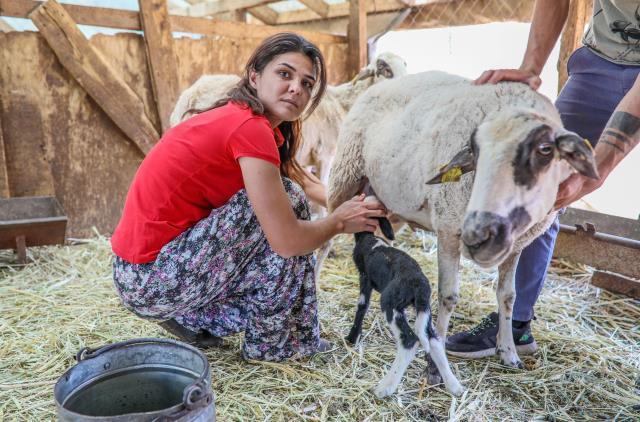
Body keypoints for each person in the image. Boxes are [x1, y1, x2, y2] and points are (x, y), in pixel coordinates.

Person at [110, 33, 387, 362]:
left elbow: (303, 181)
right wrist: (339, 222)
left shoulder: (243, 119)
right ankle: (275, 345)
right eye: (285, 74)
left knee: (286, 202)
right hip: (150, 279)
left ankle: (253, 331)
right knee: (289, 204)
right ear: (255, 76)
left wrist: (347, 205)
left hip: (139, 272)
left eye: (307, 83)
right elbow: (287, 240)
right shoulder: (250, 128)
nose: (297, 88)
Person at [446, 0, 640, 358]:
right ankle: (515, 324)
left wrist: (596, 168)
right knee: (544, 181)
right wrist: (530, 68)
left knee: (579, 177)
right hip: (601, 61)